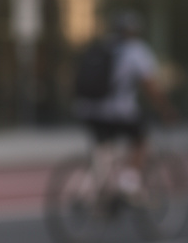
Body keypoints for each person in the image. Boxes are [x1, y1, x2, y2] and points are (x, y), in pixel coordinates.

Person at [74, 10, 177, 195]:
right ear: (135, 31)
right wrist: (166, 109)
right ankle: (128, 185)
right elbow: (150, 86)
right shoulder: (136, 50)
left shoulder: (104, 46)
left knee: (103, 149)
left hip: (88, 109)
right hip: (118, 112)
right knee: (140, 139)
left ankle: (85, 190)